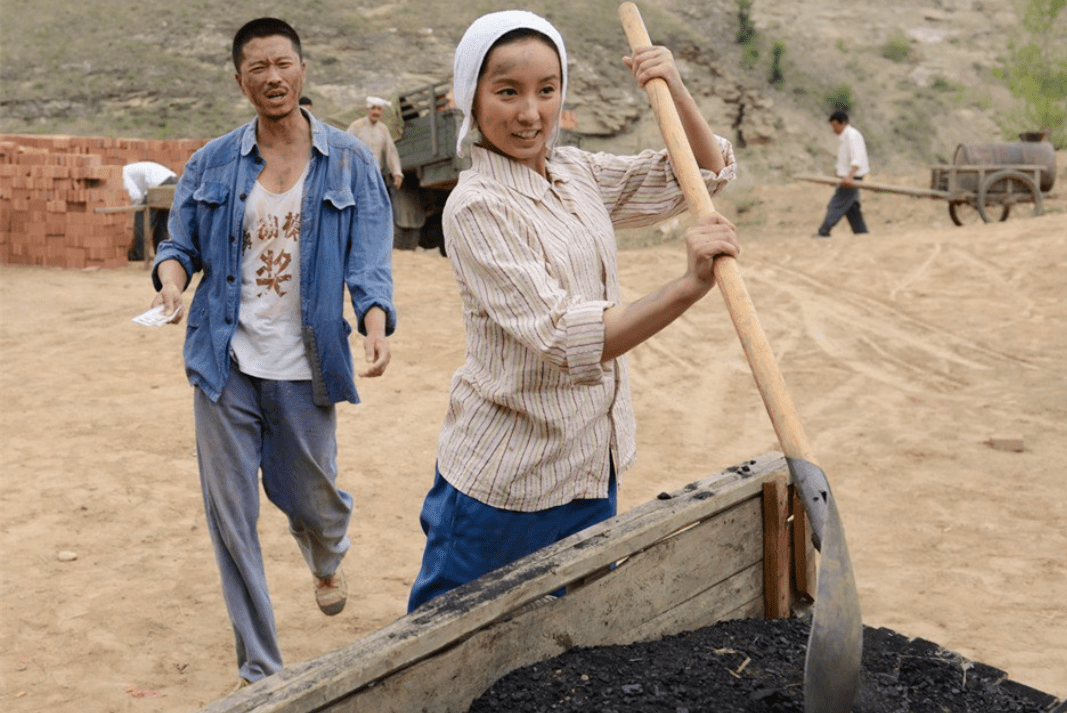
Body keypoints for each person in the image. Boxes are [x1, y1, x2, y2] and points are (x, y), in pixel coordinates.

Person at [406, 10, 739, 613]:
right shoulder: (476, 207)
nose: (530, 113)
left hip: (589, 467)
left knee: (571, 648)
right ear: (470, 99)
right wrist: (686, 287)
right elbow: (567, 339)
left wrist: (675, 89)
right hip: (506, 484)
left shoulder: (575, 171)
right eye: (507, 92)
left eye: (546, 90)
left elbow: (700, 174)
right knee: (447, 648)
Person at [148, 17, 396, 688]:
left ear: (302, 70)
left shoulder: (347, 160)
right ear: (241, 81)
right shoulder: (211, 162)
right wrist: (171, 281)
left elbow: (370, 261)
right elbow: (179, 247)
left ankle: (324, 550)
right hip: (222, 362)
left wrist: (374, 319)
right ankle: (262, 670)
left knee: (311, 496)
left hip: (305, 366)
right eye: (257, 67)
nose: (272, 76)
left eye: (282, 62)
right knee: (231, 517)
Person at [815, 109, 870, 237]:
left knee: (836, 204)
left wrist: (849, 177)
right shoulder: (846, 137)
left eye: (835, 126)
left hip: (852, 177)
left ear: (843, 123)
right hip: (848, 176)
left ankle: (824, 231)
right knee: (851, 206)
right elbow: (844, 161)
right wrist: (837, 176)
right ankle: (861, 232)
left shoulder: (852, 136)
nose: (834, 129)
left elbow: (856, 160)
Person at [122, 160, 177, 260]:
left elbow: (136, 195)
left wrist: (135, 209)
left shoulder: (122, 173)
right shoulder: (129, 170)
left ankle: (140, 254)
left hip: (160, 183)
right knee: (162, 220)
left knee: (141, 218)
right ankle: (162, 253)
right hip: (173, 181)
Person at [345, 96, 403, 191]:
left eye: (379, 109)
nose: (376, 112)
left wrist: (397, 173)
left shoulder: (383, 129)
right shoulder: (356, 126)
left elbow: (391, 152)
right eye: (373, 108)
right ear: (367, 110)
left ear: (382, 112)